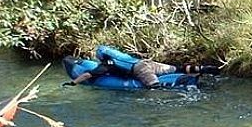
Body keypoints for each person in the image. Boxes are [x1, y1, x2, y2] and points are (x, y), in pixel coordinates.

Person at [64, 44, 220, 88]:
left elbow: (86, 75)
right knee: (176, 68)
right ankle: (202, 69)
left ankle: (186, 82)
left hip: (140, 70)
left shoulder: (106, 66)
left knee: (155, 87)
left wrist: (73, 83)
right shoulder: (120, 56)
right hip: (147, 63)